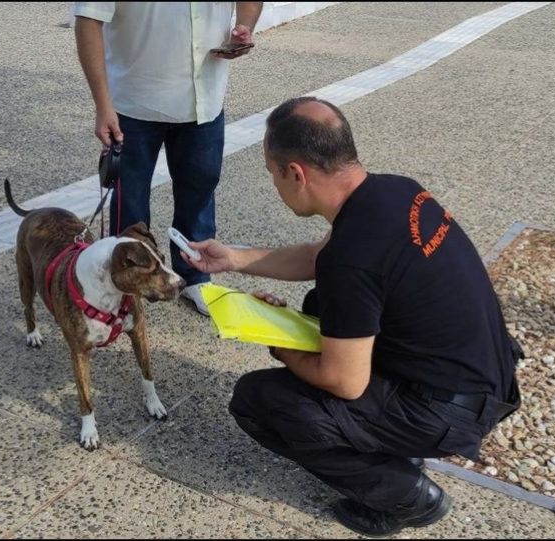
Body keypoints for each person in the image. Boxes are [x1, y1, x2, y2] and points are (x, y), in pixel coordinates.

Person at [182, 96, 522, 537]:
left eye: (272, 173)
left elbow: (345, 382)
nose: (275, 184)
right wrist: (234, 258)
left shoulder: (353, 258)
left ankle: (406, 496)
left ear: (296, 173)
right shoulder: (394, 191)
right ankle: (390, 440)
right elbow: (317, 257)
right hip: (488, 375)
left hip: (447, 411)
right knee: (320, 306)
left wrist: (277, 343)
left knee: (259, 401)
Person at [73, 1, 263, 316]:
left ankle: (195, 276)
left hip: (205, 99)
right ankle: (125, 287)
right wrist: (102, 105)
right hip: (133, 103)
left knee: (199, 191)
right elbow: (88, 21)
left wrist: (244, 27)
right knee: (130, 202)